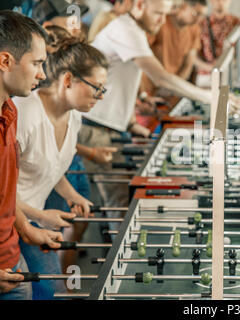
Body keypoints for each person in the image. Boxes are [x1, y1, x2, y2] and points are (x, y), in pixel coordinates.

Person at [79, 0, 211, 220]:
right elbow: (160, 77)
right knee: (119, 208)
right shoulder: (125, 29)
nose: (161, 21)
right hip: (96, 128)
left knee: (120, 203)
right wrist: (209, 96)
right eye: (158, 14)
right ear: (139, 5)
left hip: (111, 126)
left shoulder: (133, 30)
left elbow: (119, 78)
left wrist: (132, 116)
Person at [13, 37, 108, 300]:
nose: (100, 96)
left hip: (32, 217)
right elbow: (2, 187)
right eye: (96, 88)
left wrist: (72, 195)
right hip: (12, 219)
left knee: (52, 289)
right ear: (67, 80)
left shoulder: (74, 115)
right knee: (52, 290)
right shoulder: (25, 115)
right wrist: (39, 216)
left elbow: (52, 166)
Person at [0, 10, 63, 300]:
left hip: (11, 260)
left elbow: (5, 194)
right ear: (5, 61)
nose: (43, 74)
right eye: (37, 63)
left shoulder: (9, 113)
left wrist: (27, 229)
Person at [139, 0, 208, 97]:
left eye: (202, 16)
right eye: (196, 13)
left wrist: (174, 88)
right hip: (149, 89)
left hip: (172, 88)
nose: (198, 19)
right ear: (184, 6)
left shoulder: (195, 29)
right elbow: (141, 59)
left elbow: (189, 63)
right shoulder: (160, 22)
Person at [196, 0, 240, 71]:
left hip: (231, 73)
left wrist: (229, 64)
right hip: (206, 74)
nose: (220, 2)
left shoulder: (238, 23)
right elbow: (192, 55)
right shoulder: (201, 23)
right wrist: (208, 67)